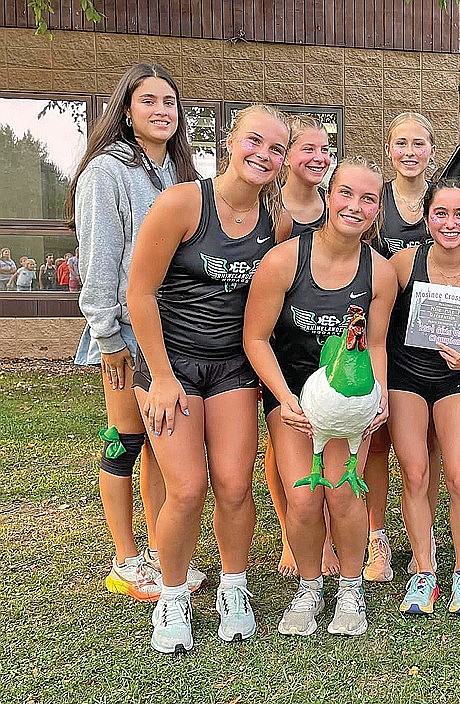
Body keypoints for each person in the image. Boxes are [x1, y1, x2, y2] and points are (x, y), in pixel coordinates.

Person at [128, 104, 292, 653]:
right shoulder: (181, 203)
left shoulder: (279, 225)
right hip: (171, 365)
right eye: (254, 141)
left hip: (232, 368)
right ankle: (173, 595)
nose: (263, 155)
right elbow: (140, 294)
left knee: (234, 483)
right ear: (229, 142)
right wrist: (161, 377)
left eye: (275, 149)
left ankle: (233, 586)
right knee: (187, 487)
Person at [68, 63, 203, 602]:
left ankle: (154, 550)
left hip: (173, 330)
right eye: (149, 101)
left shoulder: (178, 172)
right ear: (126, 110)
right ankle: (125, 559)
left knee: (155, 444)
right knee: (124, 440)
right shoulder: (107, 172)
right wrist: (106, 336)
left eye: (170, 102)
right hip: (124, 332)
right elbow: (98, 259)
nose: (162, 111)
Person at [245, 156, 395, 638]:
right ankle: (310, 588)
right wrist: (284, 398)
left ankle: (351, 589)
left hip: (350, 401)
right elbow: (256, 338)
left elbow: (374, 344)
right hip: (295, 401)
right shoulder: (286, 259)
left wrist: (381, 398)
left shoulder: (380, 272)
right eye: (346, 193)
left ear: (378, 210)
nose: (355, 205)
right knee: (306, 497)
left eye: (368, 198)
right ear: (329, 196)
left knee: (346, 494)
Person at [389, 180, 460, 615]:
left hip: (455, 380)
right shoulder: (403, 264)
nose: (450, 223)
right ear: (426, 217)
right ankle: (424, 571)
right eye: (441, 213)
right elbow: (380, 327)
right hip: (406, 378)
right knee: (416, 474)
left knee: (459, 477)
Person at [262, 114, 340, 578]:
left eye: (325, 149)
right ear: (287, 155)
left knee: (324, 438)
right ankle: (295, 535)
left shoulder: (333, 203)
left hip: (324, 344)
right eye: (307, 148)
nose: (318, 158)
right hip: (277, 343)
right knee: (281, 440)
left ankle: (323, 532)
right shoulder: (275, 212)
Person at [364, 112, 440, 583]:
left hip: (432, 341)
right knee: (375, 441)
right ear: (389, 150)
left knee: (426, 447)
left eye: (419, 143)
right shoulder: (377, 201)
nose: (410, 152)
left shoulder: (443, 201)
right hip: (380, 335)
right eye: (400, 143)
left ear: (432, 150)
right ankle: (376, 537)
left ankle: (423, 538)